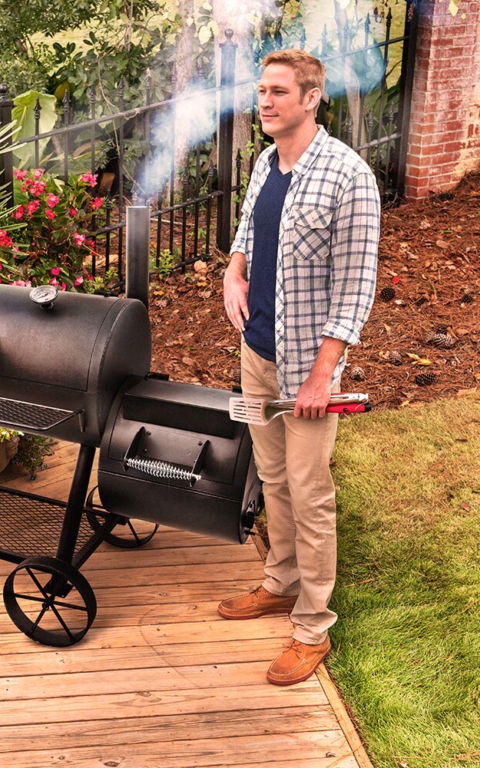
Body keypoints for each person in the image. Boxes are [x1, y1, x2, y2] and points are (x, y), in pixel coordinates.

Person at [219, 49, 380, 686]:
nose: (265, 101)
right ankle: (281, 582)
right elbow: (250, 229)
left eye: (279, 91)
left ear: (311, 98)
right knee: (274, 477)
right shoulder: (266, 161)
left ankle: (313, 627)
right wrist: (233, 268)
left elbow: (356, 285)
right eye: (262, 90)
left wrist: (322, 375)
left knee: (311, 494)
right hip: (257, 352)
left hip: (307, 366)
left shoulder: (348, 176)